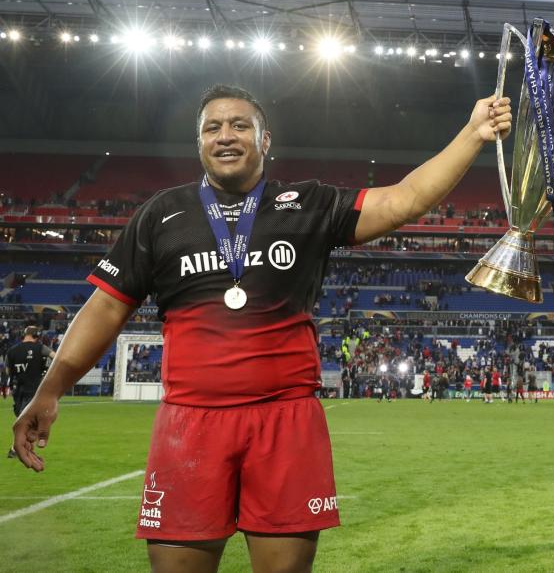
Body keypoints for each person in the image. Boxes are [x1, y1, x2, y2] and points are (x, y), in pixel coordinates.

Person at [12, 84, 511, 572]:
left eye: (239, 125)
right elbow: (104, 310)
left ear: (264, 140)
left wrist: (472, 133)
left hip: (285, 423)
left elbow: (405, 199)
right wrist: (50, 390)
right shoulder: (161, 215)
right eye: (212, 127)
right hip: (191, 424)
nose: (225, 135)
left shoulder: (308, 203)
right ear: (199, 142)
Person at [6, 326, 55, 458]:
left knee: (23, 419)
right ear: (37, 335)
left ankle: (17, 449)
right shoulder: (40, 348)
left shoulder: (11, 351)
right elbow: (55, 358)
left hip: (17, 391)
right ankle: (16, 449)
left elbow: (8, 371)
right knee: (29, 421)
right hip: (34, 390)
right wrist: (46, 369)